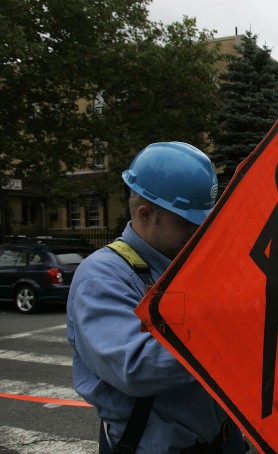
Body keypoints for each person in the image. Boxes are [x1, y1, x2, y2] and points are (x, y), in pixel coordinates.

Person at [66, 142, 246, 453]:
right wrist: (230, 330)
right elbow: (136, 368)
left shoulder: (189, 264)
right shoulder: (101, 276)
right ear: (145, 214)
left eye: (203, 222)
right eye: (186, 223)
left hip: (225, 440)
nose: (198, 233)